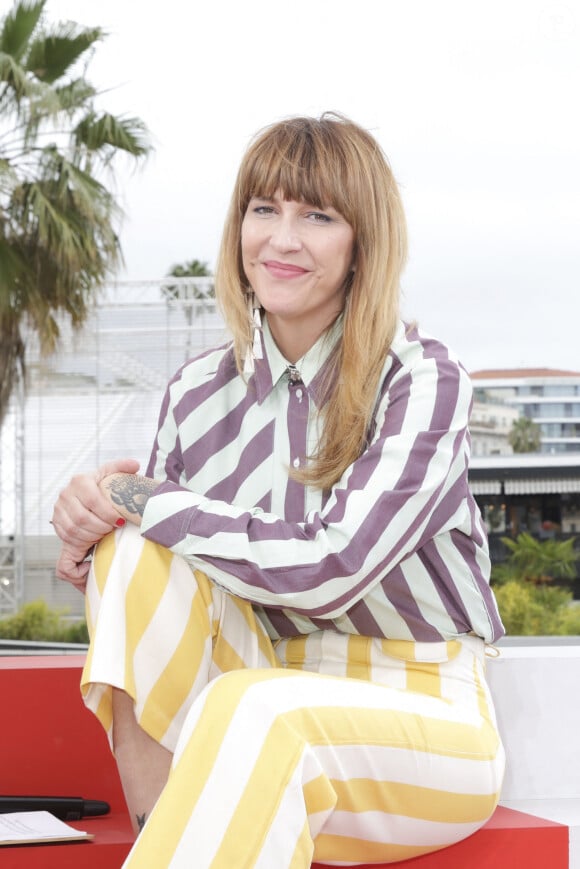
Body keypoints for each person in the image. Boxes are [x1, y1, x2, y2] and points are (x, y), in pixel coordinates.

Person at [52, 113, 506, 868]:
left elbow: (333, 567)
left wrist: (140, 496)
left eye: (317, 216)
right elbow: (153, 586)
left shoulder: (419, 379)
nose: (281, 239)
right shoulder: (195, 392)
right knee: (132, 553)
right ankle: (162, 832)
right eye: (264, 209)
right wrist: (95, 520)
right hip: (254, 683)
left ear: (364, 242)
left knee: (252, 703)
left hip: (423, 712)